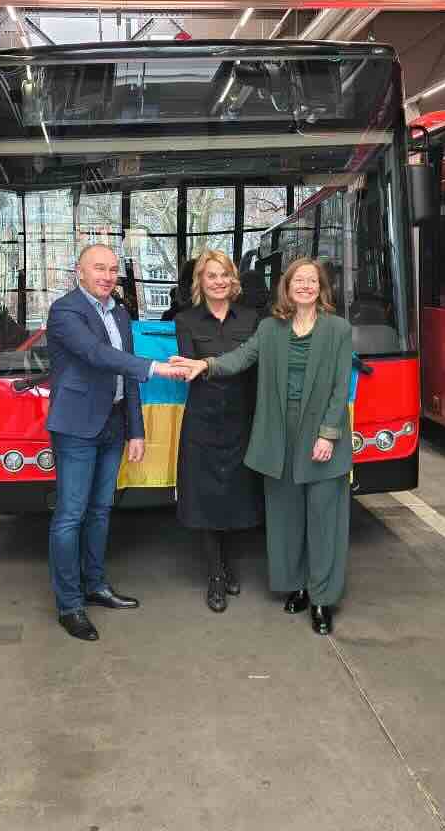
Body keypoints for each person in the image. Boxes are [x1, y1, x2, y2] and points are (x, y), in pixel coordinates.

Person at [172, 257, 353, 635]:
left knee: (324, 519)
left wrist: (328, 434)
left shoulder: (338, 329)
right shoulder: (270, 328)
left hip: (320, 434)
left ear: (321, 288)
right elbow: (241, 357)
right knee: (286, 517)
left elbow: (340, 387)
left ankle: (322, 598)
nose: (305, 286)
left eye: (312, 281)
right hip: (279, 434)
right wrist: (206, 365)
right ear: (286, 287)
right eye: (298, 280)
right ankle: (296, 586)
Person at [46, 244, 188, 642]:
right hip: (76, 426)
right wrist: (155, 367)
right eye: (99, 268)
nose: (107, 276)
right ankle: (70, 604)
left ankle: (95, 585)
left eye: (112, 269)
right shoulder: (65, 311)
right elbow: (97, 355)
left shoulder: (120, 313)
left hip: (112, 424)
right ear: (79, 272)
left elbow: (126, 379)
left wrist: (136, 430)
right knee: (70, 516)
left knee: (100, 511)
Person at [173, 250, 265, 612]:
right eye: (211, 275)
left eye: (224, 274)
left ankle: (229, 567)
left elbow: (255, 367)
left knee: (236, 497)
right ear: (200, 281)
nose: (219, 281)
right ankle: (215, 575)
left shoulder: (253, 318)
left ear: (233, 279)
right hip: (204, 421)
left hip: (242, 420)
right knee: (207, 499)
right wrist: (221, 366)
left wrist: (212, 365)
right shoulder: (185, 320)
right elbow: (192, 370)